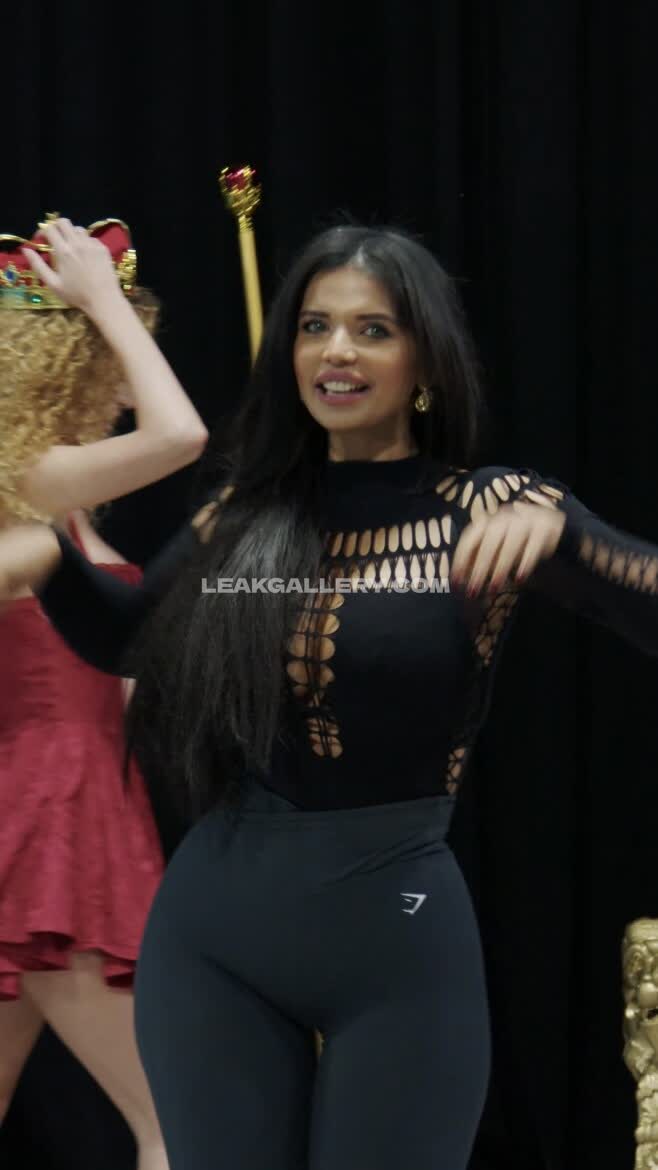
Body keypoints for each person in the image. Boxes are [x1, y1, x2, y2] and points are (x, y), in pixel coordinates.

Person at [0, 224, 657, 1170]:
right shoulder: (247, 516)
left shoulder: (489, 507)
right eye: (315, 326)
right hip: (214, 940)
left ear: (424, 360)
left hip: (396, 934)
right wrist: (52, 560)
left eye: (372, 329)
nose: (337, 350)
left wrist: (567, 538)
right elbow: (131, 638)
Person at [0, 216, 207, 1170]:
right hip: (56, 822)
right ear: (68, 363)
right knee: (180, 1123)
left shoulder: (56, 500)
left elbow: (122, 666)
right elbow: (182, 433)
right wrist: (103, 300)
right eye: (116, 358)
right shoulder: (29, 484)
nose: (130, 384)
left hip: (62, 809)